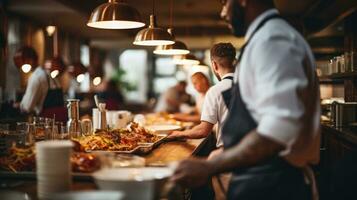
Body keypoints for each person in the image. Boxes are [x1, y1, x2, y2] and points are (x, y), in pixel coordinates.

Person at [171, 0, 321, 200]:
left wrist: (210, 165)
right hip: (263, 178)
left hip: (275, 184)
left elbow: (280, 130)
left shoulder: (272, 39)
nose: (223, 12)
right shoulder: (262, 39)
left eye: (225, 3)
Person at [168, 42, 236, 148]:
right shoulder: (250, 85)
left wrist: (179, 134)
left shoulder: (215, 91)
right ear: (234, 62)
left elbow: (203, 130)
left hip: (228, 149)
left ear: (214, 65)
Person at [19, 48, 66, 121]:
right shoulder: (50, 75)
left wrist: (19, 105)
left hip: (46, 124)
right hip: (61, 123)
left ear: (29, 60)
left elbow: (28, 107)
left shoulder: (36, 77)